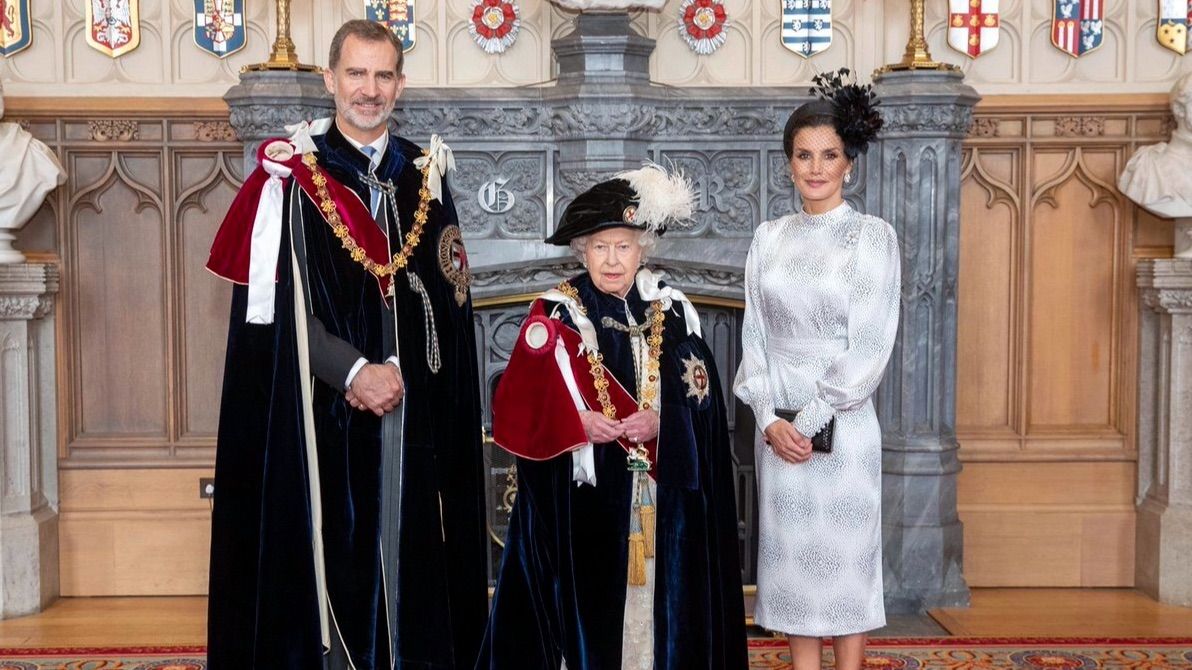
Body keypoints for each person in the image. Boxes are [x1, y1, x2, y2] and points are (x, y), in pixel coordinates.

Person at [205, 19, 488, 670]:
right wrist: (356, 370)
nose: (369, 89)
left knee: (414, 571)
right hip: (323, 418)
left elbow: (447, 299)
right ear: (330, 80)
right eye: (356, 74)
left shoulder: (425, 176)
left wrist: (402, 370)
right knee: (336, 579)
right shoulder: (294, 181)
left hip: (411, 417)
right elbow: (273, 318)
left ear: (400, 84)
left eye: (383, 75)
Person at [475, 165, 748, 670]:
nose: (612, 259)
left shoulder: (673, 309)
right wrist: (576, 427)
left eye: (623, 246)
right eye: (599, 247)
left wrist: (665, 421)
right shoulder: (556, 314)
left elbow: (705, 402)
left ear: (643, 248)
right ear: (582, 251)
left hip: (663, 504)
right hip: (585, 508)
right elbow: (516, 410)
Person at [732, 69, 898, 670]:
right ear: (788, 163)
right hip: (778, 430)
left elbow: (871, 343)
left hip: (843, 430)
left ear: (849, 162)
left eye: (829, 155)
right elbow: (754, 338)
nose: (816, 167)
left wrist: (812, 417)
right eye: (803, 155)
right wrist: (767, 417)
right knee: (795, 575)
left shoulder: (871, 238)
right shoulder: (767, 238)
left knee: (846, 574)